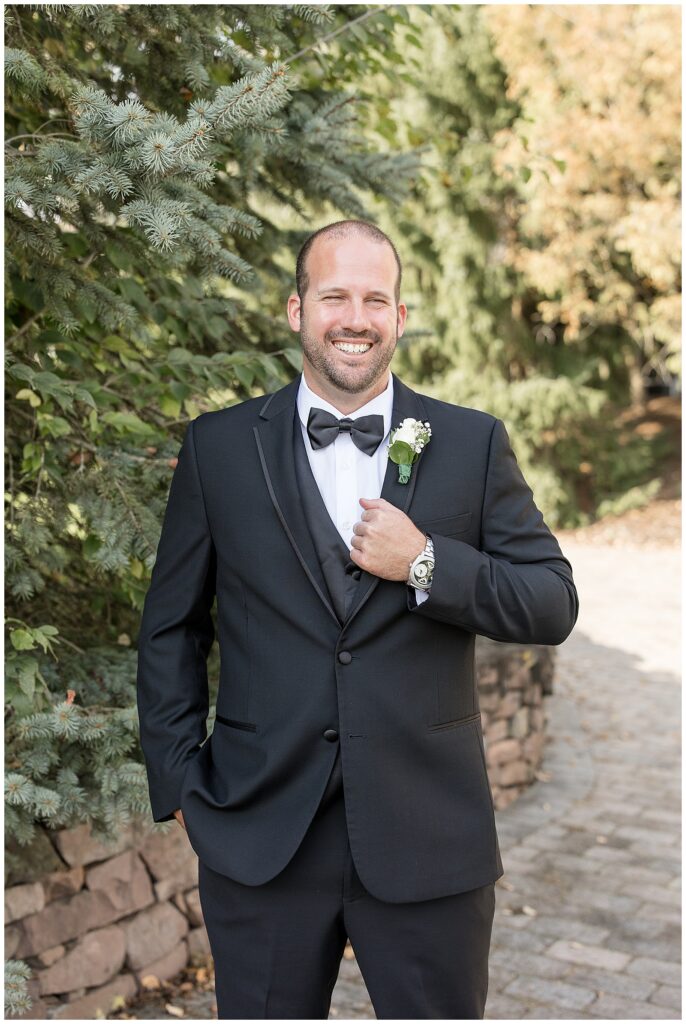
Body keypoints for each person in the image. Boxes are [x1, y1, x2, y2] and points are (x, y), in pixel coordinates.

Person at [136, 219, 579, 1019]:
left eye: (376, 298)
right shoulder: (219, 447)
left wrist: (426, 563)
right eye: (334, 294)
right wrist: (179, 782)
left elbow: (552, 602)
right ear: (296, 309)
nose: (355, 316)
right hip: (261, 837)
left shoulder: (472, 444)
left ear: (400, 318)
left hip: (428, 841)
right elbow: (173, 625)